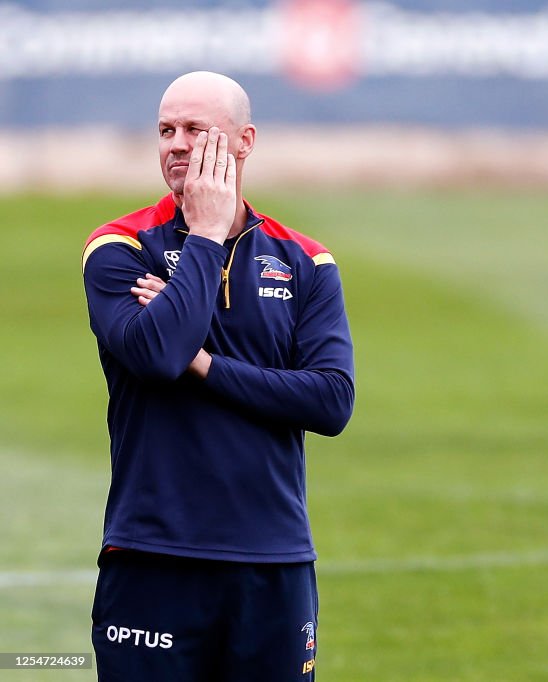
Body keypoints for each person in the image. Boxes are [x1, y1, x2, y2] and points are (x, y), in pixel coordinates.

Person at [81, 71, 354, 681]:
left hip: (274, 561)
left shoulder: (306, 261)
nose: (177, 144)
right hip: (154, 556)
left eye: (196, 129)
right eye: (166, 130)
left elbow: (332, 401)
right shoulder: (120, 247)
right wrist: (204, 232)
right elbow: (155, 355)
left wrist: (203, 364)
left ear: (244, 141)